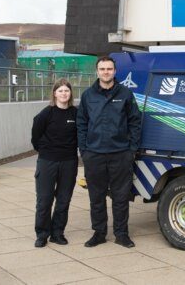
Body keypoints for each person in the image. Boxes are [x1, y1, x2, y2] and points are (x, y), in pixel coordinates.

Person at [77, 56, 141, 248]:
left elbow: (135, 122)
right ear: (97, 71)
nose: (106, 72)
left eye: (109, 69)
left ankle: (121, 234)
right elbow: (81, 124)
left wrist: (131, 150)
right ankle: (99, 233)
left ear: (115, 71)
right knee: (96, 197)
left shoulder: (126, 94)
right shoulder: (88, 95)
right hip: (94, 154)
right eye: (102, 69)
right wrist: (84, 151)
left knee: (121, 197)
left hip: (120, 154)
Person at [31, 78, 78, 248]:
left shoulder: (75, 113)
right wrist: (45, 150)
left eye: (66, 90)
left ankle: (57, 233)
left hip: (69, 162)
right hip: (47, 162)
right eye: (60, 91)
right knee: (44, 200)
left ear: (70, 93)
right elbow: (35, 137)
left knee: (64, 200)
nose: (64, 93)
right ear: (54, 93)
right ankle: (42, 234)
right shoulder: (46, 113)